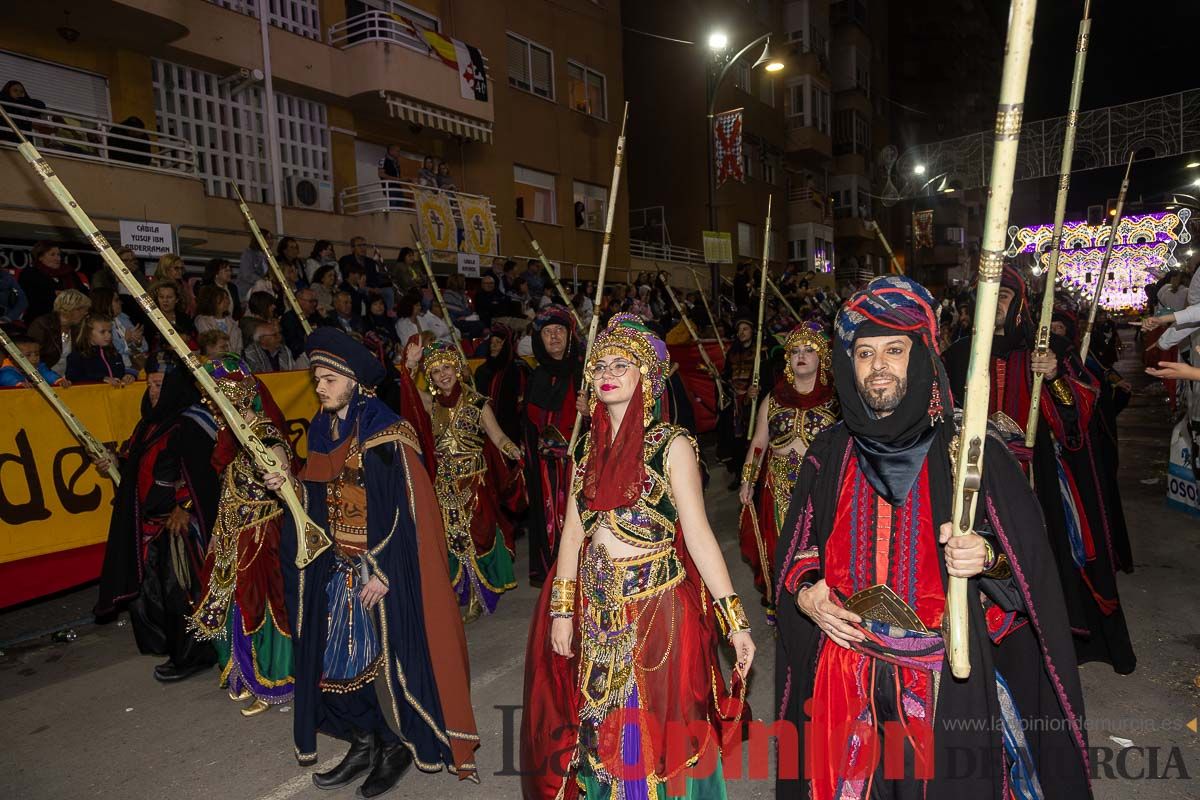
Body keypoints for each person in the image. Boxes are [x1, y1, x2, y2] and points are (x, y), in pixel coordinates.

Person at [775, 275, 1091, 800]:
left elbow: (1029, 571)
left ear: (922, 353)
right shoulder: (827, 452)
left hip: (943, 681)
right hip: (843, 678)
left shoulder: (969, 452)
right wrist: (808, 590)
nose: (878, 366)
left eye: (894, 350)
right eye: (864, 352)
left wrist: (985, 555)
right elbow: (799, 548)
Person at [521, 313, 754, 800]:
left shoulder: (672, 447)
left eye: (622, 364)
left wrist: (735, 620)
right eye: (601, 363)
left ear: (645, 375)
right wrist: (562, 612)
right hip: (597, 611)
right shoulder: (585, 448)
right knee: (600, 730)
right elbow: (570, 534)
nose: (607, 371)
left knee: (658, 737)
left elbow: (699, 535)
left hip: (659, 612)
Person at [268, 328, 479, 793]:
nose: (318, 387)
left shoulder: (385, 430)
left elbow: (409, 510)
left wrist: (383, 569)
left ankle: (397, 745)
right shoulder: (325, 428)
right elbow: (320, 498)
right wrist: (288, 482)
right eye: (315, 378)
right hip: (336, 565)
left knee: (384, 667)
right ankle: (365, 741)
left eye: (327, 379)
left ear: (353, 381)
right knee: (335, 664)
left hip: (379, 568)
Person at [943, 265, 1135, 675]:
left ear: (1020, 304)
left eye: (1005, 297)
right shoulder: (959, 352)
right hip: (973, 475)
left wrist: (1053, 377)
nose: (995, 305)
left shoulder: (1041, 351)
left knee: (1039, 556)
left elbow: (1078, 416)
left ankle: (1046, 637)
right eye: (989, 296)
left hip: (1033, 477)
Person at [94, 366, 220, 682]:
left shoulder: (191, 424)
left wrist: (185, 505)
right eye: (149, 384)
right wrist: (112, 464)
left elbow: (207, 474)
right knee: (148, 593)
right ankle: (171, 646)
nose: (152, 390)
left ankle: (194, 655)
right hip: (150, 523)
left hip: (180, 525)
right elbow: (140, 468)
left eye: (159, 384)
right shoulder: (149, 424)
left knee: (180, 592)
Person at [189, 356, 294, 717]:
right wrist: (219, 534)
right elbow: (229, 492)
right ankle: (247, 677)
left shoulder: (262, 432)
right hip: (236, 534)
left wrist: (278, 470)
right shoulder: (233, 439)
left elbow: (282, 470)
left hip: (263, 535)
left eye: (224, 402)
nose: (218, 411)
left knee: (264, 607)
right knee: (233, 605)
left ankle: (276, 681)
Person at [737, 322, 839, 620]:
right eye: (795, 351)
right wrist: (748, 481)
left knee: (820, 546)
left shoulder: (837, 400)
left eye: (809, 350)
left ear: (822, 358)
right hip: (778, 485)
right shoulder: (774, 398)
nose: (801, 356)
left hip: (821, 487)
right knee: (780, 547)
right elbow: (758, 443)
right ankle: (782, 601)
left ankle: (823, 601)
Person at [418, 341, 522, 621]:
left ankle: (479, 594)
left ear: (458, 369)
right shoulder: (430, 404)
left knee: (479, 537)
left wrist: (512, 449)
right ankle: (457, 591)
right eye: (436, 371)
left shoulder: (477, 403)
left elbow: (497, 436)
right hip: (444, 485)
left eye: (447, 367)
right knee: (452, 539)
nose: (443, 375)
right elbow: (404, 392)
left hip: (474, 483)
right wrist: (409, 364)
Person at [522, 307, 587, 585]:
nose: (554, 337)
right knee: (549, 520)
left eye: (559, 331)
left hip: (576, 463)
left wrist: (591, 410)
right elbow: (527, 425)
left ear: (569, 335)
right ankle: (554, 571)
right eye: (548, 333)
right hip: (545, 468)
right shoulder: (534, 376)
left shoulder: (583, 372)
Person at [717, 317, 771, 488]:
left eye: (745, 329)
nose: (741, 333)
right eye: (739, 330)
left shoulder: (761, 352)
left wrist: (756, 390)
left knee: (754, 440)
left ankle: (757, 477)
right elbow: (727, 375)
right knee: (736, 442)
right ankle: (740, 476)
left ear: (752, 331)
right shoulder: (733, 352)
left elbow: (767, 378)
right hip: (736, 404)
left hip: (752, 405)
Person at [19, 241, 90, 321]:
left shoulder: (68, 272)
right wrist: (55, 294)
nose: (58, 258)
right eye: (52, 255)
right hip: (42, 317)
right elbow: (29, 296)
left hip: (72, 316)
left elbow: (84, 291)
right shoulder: (30, 273)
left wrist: (72, 294)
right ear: (40, 257)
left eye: (59, 255)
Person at [27, 288, 90, 375]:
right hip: (45, 378)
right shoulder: (42, 325)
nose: (85, 314)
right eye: (83, 310)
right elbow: (32, 357)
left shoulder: (77, 328)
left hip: (67, 379)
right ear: (73, 309)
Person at [91, 287, 146, 373]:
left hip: (134, 365)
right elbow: (109, 349)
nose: (121, 302)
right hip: (114, 369)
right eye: (116, 300)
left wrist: (137, 343)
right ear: (106, 303)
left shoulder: (123, 317)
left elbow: (144, 346)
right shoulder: (98, 324)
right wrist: (127, 342)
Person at [66, 313, 132, 385]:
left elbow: (121, 373)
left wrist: (127, 376)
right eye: (102, 332)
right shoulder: (77, 356)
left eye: (109, 331)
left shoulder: (113, 353)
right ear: (88, 333)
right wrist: (102, 379)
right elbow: (73, 378)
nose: (108, 335)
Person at [144, 279, 197, 355]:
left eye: (169, 297)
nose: (165, 300)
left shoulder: (185, 318)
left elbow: (191, 338)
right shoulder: (151, 319)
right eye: (161, 297)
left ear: (176, 299)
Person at [339, 237, 391, 309]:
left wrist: (375, 288)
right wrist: (368, 289)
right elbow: (347, 279)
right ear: (352, 248)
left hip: (371, 287)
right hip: (354, 288)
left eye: (364, 245)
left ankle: (388, 314)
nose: (363, 248)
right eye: (359, 245)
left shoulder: (370, 262)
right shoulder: (346, 260)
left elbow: (375, 278)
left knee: (388, 291)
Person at [0, 334, 69, 387]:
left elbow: (47, 374)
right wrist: (18, 384)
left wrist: (58, 380)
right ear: (12, 358)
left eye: (37, 354)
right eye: (28, 355)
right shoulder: (6, 370)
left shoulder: (39, 367)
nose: (34, 358)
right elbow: (7, 378)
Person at [195, 284, 244, 355]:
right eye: (222, 299)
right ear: (211, 301)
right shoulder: (203, 321)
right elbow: (210, 344)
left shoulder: (231, 321)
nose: (226, 301)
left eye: (227, 298)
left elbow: (239, 346)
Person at [237, 230, 274, 302]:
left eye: (271, 238)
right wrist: (262, 281)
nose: (270, 241)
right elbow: (247, 274)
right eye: (267, 238)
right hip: (248, 288)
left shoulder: (269, 256)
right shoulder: (248, 253)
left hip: (263, 288)